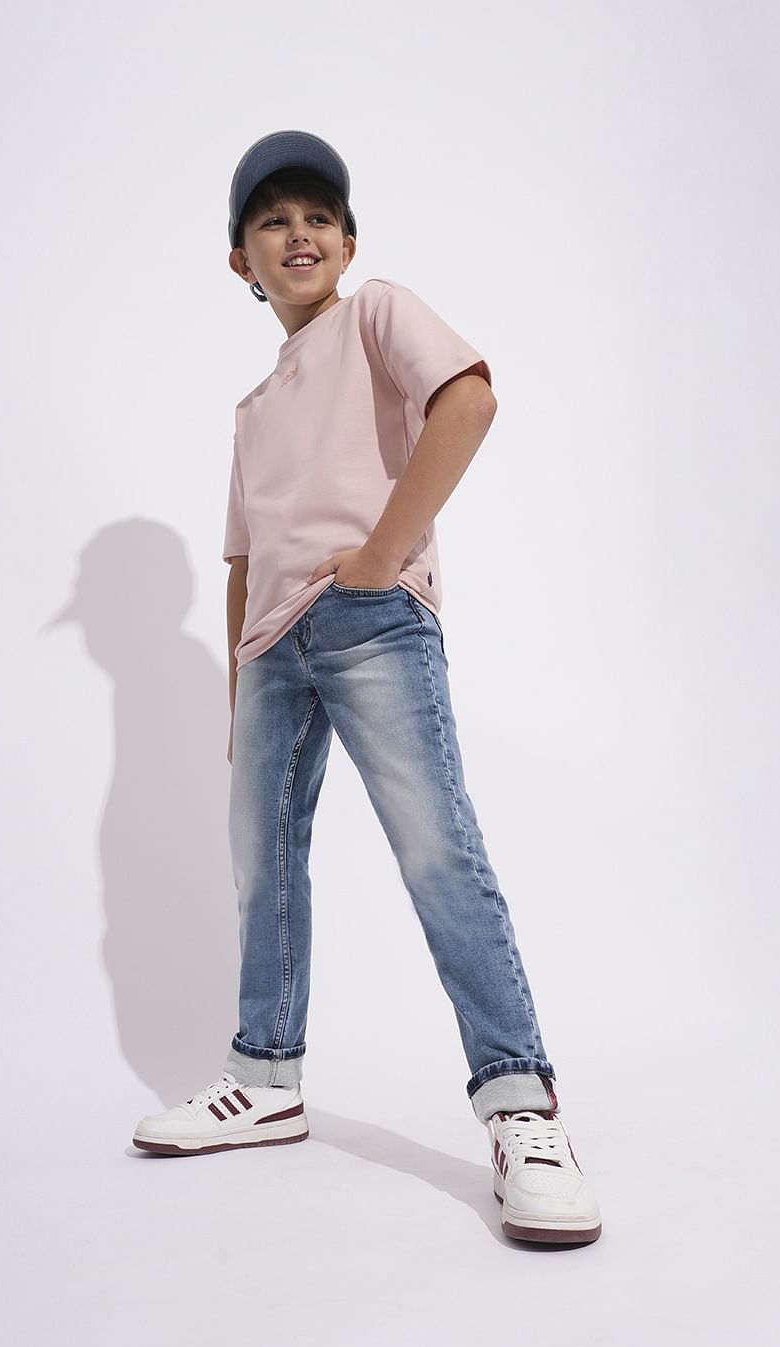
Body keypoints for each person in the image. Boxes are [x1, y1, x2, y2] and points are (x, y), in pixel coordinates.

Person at [132, 131, 602, 1245]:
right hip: (271, 649)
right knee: (262, 863)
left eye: (319, 218)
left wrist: (383, 557)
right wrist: (239, 694)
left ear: (348, 244)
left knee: (437, 848)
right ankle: (266, 1075)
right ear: (241, 261)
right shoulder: (254, 407)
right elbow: (243, 560)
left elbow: (468, 402)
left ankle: (520, 1107)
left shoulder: (378, 312)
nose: (299, 234)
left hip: (369, 618)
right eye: (272, 221)